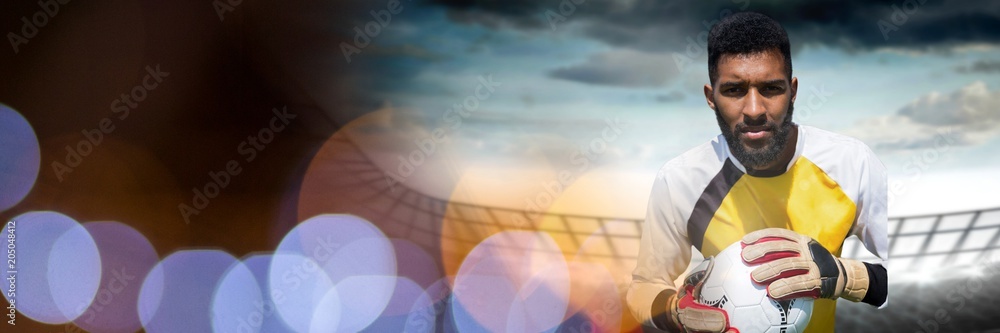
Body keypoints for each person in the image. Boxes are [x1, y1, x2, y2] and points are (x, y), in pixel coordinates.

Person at [626, 12, 888, 333]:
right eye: (734, 90)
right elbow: (644, 284)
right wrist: (673, 309)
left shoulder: (852, 163)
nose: (754, 110)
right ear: (711, 97)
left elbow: (896, 270)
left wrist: (848, 278)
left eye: (771, 88)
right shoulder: (681, 179)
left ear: (792, 90)